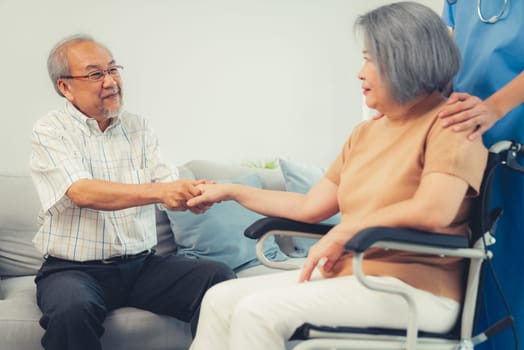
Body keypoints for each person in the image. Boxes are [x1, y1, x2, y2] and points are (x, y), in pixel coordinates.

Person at [185, 3, 488, 350]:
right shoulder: (365, 134)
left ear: (405, 59)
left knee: (257, 312)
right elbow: (310, 206)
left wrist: (348, 229)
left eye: (369, 59)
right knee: (220, 299)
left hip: (414, 289)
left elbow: (434, 210)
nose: (360, 73)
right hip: (351, 277)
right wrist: (232, 191)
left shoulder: (450, 124)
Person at [30, 34, 236, 350]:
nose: (111, 81)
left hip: (142, 267)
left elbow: (165, 179)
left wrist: (192, 193)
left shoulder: (138, 127)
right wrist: (160, 191)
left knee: (216, 278)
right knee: (71, 310)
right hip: (73, 271)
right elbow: (83, 192)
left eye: (113, 70)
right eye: (96, 74)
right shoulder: (50, 130)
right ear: (65, 87)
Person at [439, 2, 524, 349]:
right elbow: (449, 65)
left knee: (513, 276)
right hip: (470, 149)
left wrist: (495, 107)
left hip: (514, 144)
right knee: (475, 272)